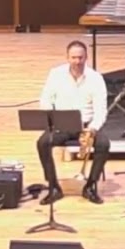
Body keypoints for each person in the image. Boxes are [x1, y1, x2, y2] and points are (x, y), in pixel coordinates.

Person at [36, 40, 109, 205]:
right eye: (74, 57)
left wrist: (92, 129)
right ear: (67, 58)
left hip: (87, 126)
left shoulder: (96, 78)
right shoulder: (56, 74)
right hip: (62, 125)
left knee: (104, 144)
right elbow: (46, 99)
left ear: (86, 58)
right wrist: (51, 119)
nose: (77, 61)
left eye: (80, 58)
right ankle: (53, 186)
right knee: (42, 143)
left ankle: (90, 186)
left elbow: (101, 110)